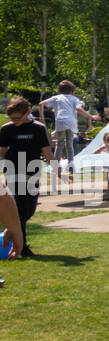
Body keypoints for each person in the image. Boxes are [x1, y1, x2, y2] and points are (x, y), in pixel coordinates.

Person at [0, 97, 51, 257]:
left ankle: (10, 231)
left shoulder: (38, 129)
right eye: (12, 118)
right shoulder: (6, 129)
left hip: (32, 171)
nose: (14, 121)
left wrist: (60, 171)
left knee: (29, 210)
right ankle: (22, 248)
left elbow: (47, 153)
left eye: (17, 118)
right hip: (13, 171)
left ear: (28, 112)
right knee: (20, 207)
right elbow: (1, 152)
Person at [40, 80, 93, 181]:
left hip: (60, 122)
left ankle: (55, 167)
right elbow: (79, 109)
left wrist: (42, 119)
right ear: (72, 90)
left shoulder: (57, 98)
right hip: (70, 122)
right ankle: (71, 167)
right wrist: (91, 116)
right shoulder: (74, 98)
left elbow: (41, 104)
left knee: (59, 144)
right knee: (69, 144)